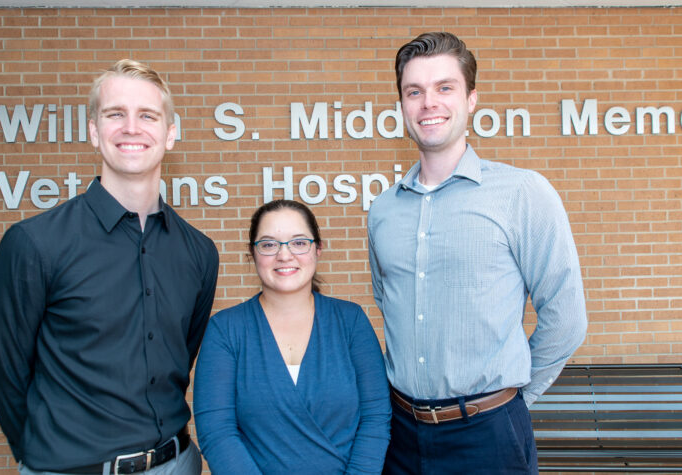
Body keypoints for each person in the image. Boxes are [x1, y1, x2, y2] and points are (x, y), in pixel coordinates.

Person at [0, 59, 219, 475]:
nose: (132, 127)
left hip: (177, 463)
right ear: (94, 131)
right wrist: (48, 458)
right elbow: (4, 374)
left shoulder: (198, 252)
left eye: (148, 115)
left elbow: (180, 361)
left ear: (171, 133)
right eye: (115, 114)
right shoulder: (35, 243)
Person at [367, 32, 588, 474]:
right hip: (402, 435)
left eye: (444, 88)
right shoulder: (383, 211)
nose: (429, 103)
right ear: (403, 106)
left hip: (489, 436)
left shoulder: (522, 193)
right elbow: (386, 304)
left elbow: (567, 317)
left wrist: (514, 398)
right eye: (415, 91)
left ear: (471, 99)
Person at [193, 199, 391, 474]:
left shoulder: (351, 321)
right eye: (269, 244)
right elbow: (217, 432)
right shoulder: (225, 330)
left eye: (299, 242)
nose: (284, 255)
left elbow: (376, 417)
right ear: (252, 254)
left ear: (318, 249)